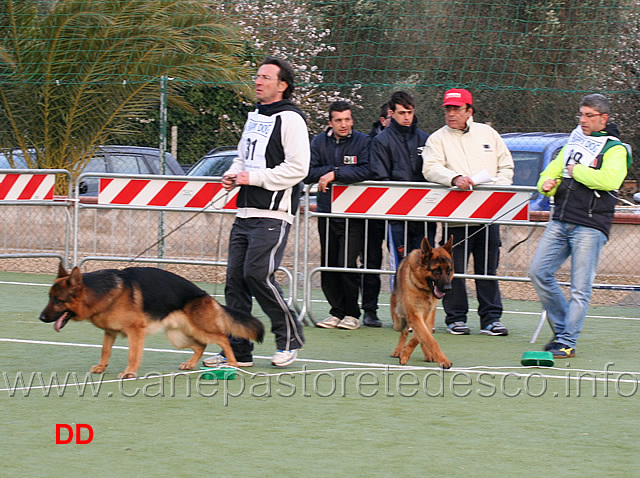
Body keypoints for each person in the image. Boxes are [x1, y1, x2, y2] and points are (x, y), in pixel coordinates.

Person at [203, 57, 309, 368]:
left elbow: (298, 168)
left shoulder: (291, 119)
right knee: (235, 281)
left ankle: (289, 337)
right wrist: (234, 174)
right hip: (245, 211)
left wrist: (256, 178)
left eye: (265, 77)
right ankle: (238, 350)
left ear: (282, 85)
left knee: (257, 275)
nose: (258, 82)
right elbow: (243, 157)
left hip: (274, 213)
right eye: (257, 76)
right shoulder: (255, 117)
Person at [529, 93, 629, 358]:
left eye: (589, 115)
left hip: (590, 225)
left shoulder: (616, 149)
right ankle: (563, 329)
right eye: (581, 114)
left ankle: (566, 341)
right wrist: (546, 186)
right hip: (560, 220)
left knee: (580, 288)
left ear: (603, 119)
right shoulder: (573, 142)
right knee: (538, 272)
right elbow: (549, 172)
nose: (582, 120)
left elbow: (610, 180)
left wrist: (576, 171)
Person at [422, 88, 514, 336]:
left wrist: (498, 188)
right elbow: (430, 168)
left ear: (469, 111)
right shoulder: (437, 139)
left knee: (487, 269)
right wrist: (454, 178)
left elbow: (506, 166)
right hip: (456, 219)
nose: (451, 114)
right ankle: (455, 318)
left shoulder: (488, 134)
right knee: (453, 270)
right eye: (448, 109)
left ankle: (491, 319)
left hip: (488, 216)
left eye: (456, 109)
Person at [305, 101, 371, 330]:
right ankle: (336, 312)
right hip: (326, 211)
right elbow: (309, 172)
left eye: (347, 119)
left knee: (346, 263)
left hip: (353, 215)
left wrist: (336, 173)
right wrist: (327, 172)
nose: (344, 125)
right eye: (338, 120)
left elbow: (366, 170)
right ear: (330, 122)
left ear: (352, 120)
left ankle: (352, 313)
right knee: (330, 264)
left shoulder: (363, 141)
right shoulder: (318, 142)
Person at [369, 91, 434, 276]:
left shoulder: (425, 139)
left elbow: (433, 173)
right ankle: (401, 304)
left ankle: (423, 305)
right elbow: (381, 178)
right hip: (397, 216)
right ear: (391, 113)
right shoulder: (381, 141)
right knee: (402, 266)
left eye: (410, 112)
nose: (407, 117)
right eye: (402, 113)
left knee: (426, 264)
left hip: (424, 215)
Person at [359, 102, 392, 327]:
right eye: (394, 115)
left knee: (404, 260)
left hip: (404, 210)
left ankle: (405, 311)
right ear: (384, 120)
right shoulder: (368, 143)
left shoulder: (416, 140)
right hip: (373, 211)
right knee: (371, 260)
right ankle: (369, 310)